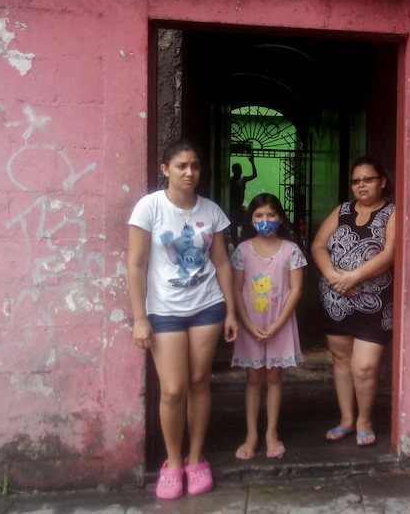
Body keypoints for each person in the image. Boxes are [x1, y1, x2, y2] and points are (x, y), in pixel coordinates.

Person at [127, 139, 238, 500]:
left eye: (195, 166)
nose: (190, 172)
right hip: (164, 311)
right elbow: (136, 264)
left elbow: (223, 262)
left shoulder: (212, 210)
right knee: (173, 389)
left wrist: (231, 312)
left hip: (207, 306)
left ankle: (195, 457)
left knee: (198, 381)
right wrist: (140, 318)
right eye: (181, 166)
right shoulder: (149, 208)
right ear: (165, 169)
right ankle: (173, 462)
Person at [311, 156, 396, 448]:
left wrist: (353, 277)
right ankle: (347, 419)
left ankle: (364, 420)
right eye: (356, 180)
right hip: (336, 300)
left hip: (375, 304)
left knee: (365, 366)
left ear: (382, 181)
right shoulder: (343, 210)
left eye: (368, 179)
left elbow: (389, 254)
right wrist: (333, 276)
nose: (361, 185)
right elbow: (318, 245)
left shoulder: (392, 212)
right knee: (341, 361)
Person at [230, 193, 307, 460]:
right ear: (250, 220)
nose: (265, 221)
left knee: (274, 377)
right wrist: (248, 324)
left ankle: (271, 432)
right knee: (253, 378)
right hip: (250, 322)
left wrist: (278, 324)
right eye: (259, 216)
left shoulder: (291, 251)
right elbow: (237, 289)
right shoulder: (241, 251)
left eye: (271, 215)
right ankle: (251, 434)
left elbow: (296, 290)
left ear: (281, 218)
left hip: (280, 322)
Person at [229, 155, 258, 247]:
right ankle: (235, 246)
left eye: (240, 169)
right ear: (234, 170)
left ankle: (242, 244)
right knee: (233, 227)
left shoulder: (243, 179)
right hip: (233, 208)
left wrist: (252, 163)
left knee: (246, 224)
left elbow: (254, 175)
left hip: (239, 207)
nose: (240, 171)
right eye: (238, 169)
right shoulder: (231, 181)